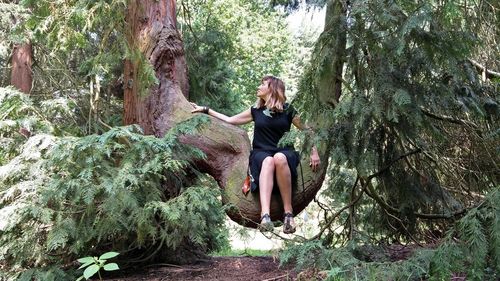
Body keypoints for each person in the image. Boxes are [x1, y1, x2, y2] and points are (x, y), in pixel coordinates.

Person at [191, 75, 320, 234]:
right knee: (268, 161)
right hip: (261, 153)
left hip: (285, 152)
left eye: (262, 84)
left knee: (279, 158)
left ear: (271, 89)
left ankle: (288, 214)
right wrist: (206, 110)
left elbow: (308, 131)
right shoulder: (255, 111)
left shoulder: (289, 110)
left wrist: (314, 152)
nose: (258, 87)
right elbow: (230, 120)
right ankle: (265, 216)